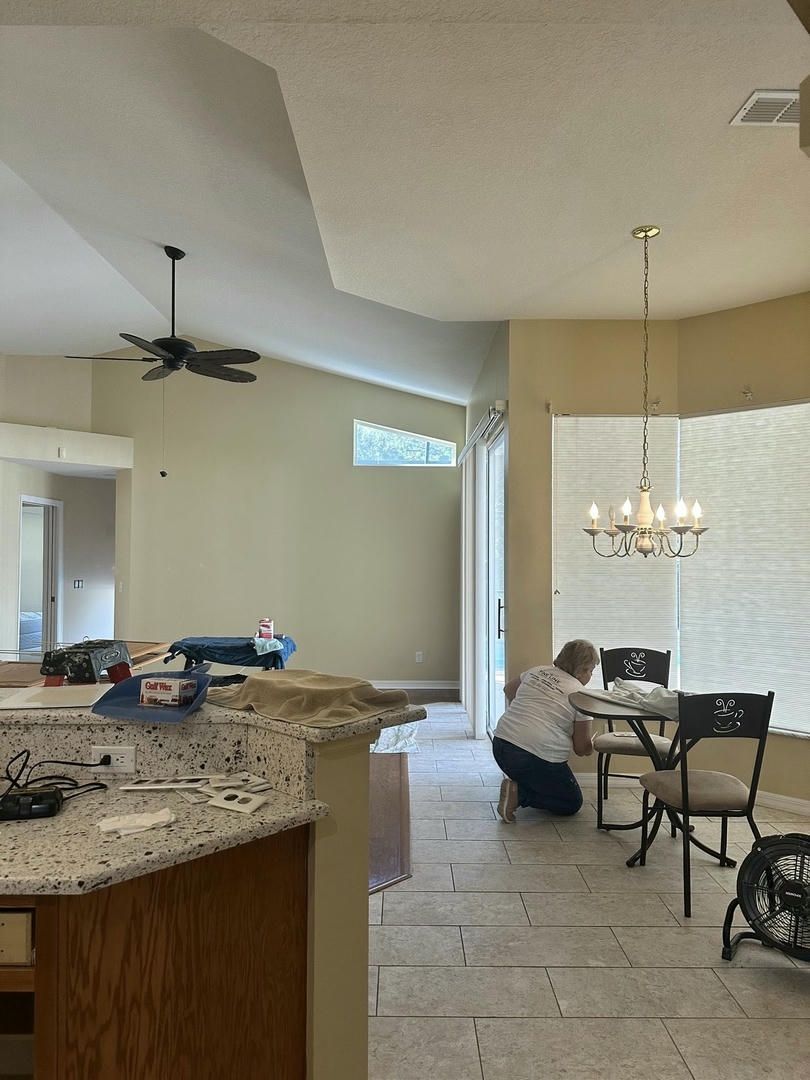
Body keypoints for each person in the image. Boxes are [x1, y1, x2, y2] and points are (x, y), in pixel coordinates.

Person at [492, 639, 599, 822]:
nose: (590, 676)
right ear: (582, 670)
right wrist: (593, 745)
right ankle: (519, 795)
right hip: (534, 758)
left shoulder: (536, 671)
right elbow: (581, 749)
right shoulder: (580, 695)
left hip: (501, 745)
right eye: (591, 670)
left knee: (538, 777)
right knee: (571, 802)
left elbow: (509, 690)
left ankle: (520, 785)